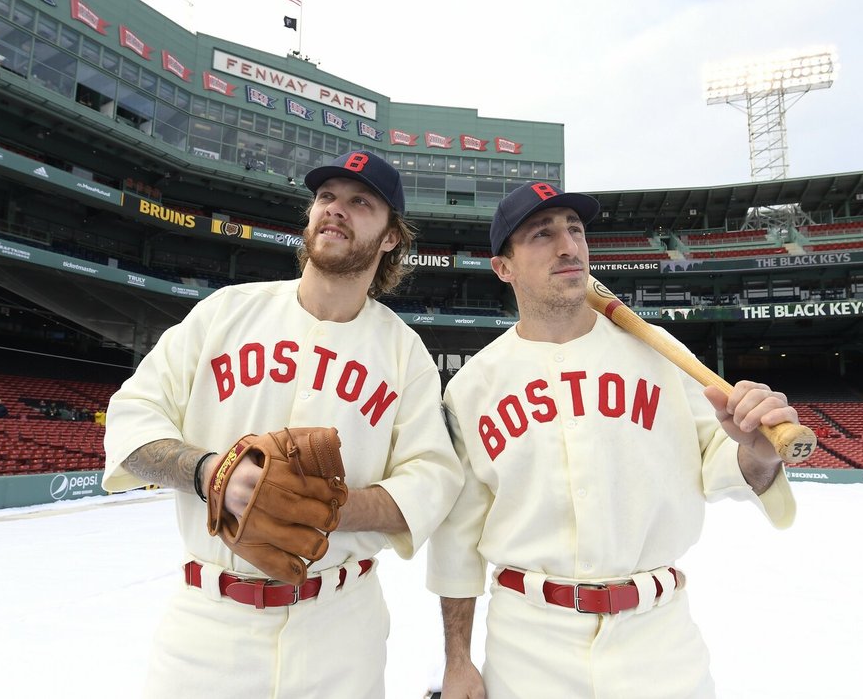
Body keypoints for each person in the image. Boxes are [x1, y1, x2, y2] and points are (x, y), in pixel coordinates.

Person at [103, 150, 463, 698]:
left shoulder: (403, 351)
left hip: (340, 628)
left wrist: (324, 508)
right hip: (208, 625)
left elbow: (431, 479)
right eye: (326, 197)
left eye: (360, 202)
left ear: (392, 238)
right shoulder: (225, 312)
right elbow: (132, 417)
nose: (335, 210)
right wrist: (211, 473)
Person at [427, 182, 797, 699]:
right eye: (541, 234)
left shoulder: (661, 353)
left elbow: (724, 466)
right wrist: (458, 662)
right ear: (503, 267)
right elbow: (457, 540)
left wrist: (756, 451)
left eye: (575, 230)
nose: (567, 246)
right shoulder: (472, 387)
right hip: (528, 645)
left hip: (659, 642)